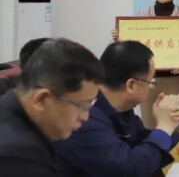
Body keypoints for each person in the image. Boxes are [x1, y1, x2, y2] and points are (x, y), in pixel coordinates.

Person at [56, 40, 179, 177]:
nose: (150, 88)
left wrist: (168, 123)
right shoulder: (84, 119)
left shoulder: (120, 109)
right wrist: (164, 127)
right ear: (131, 85)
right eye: (150, 82)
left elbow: (142, 143)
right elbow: (129, 169)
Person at [0, 38, 104, 176]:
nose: (85, 117)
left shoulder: (9, 107)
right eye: (82, 106)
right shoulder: (18, 157)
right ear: (41, 99)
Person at [112, 0, 179, 128]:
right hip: (148, 79)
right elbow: (135, 47)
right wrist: (121, 37)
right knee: (148, 125)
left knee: (174, 126)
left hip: (175, 79)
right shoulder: (141, 15)